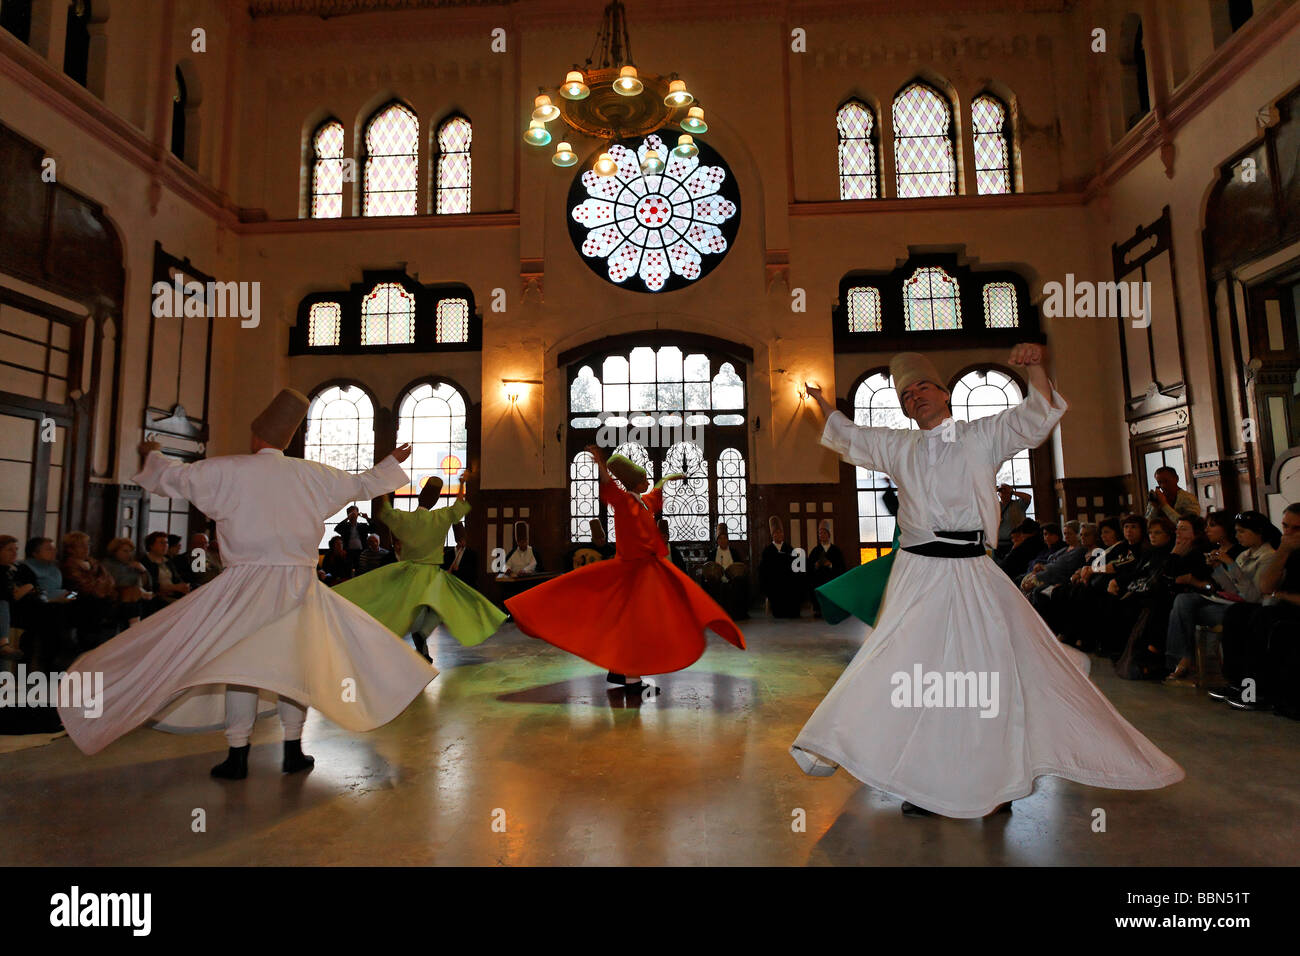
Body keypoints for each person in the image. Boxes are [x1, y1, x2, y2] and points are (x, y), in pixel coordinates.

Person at [792, 345, 1183, 818]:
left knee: (986, 675)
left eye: (923, 387)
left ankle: (995, 784)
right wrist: (818, 400)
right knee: (918, 676)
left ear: (945, 394)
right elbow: (848, 435)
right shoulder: (898, 447)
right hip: (917, 575)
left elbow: (1036, 415)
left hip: (973, 571)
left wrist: (1036, 365)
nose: (916, 397)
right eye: (906, 394)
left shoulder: (982, 435)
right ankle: (927, 781)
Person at [56, 388, 435, 781]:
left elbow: (171, 477)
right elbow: (363, 484)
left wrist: (152, 452)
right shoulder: (313, 475)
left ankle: (238, 754)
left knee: (242, 668)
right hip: (298, 586)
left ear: (256, 437)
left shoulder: (227, 470)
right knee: (294, 668)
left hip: (243, 587)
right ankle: (293, 749)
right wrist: (392, 460)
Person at [505, 446, 745, 693]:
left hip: (640, 572)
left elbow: (656, 491)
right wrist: (601, 464)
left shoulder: (641, 503)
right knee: (633, 627)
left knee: (628, 625)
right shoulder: (624, 502)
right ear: (634, 483)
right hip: (631, 573)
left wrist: (669, 479)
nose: (647, 482)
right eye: (643, 479)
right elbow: (611, 486)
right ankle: (631, 681)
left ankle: (620, 672)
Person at [335, 471, 506, 662]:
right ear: (435, 500)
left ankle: (417, 638)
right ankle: (423, 633)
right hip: (432, 573)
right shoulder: (439, 517)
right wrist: (462, 483)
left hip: (408, 571)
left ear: (419, 497)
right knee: (438, 606)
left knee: (407, 608)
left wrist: (383, 489)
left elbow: (387, 511)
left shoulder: (406, 518)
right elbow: (458, 507)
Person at [1162, 510, 1278, 683]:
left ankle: (1184, 660)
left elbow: (1251, 596)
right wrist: (1217, 568)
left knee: (1183, 610)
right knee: (1182, 601)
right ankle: (1181, 658)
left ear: (1258, 532)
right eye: (1237, 531)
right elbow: (1230, 589)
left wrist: (1230, 564)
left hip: (1248, 608)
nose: (1238, 536)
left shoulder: (1267, 557)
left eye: (1242, 531)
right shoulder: (1245, 555)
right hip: (1228, 601)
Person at [1212, 504, 1300, 710]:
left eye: (1295, 529)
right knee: (1237, 614)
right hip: (1280, 605)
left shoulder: (1266, 553)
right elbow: (1266, 586)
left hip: (1290, 608)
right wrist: (1284, 550)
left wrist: (1283, 594)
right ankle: (1238, 683)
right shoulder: (1285, 551)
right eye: (1285, 526)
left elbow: (1262, 592)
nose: (1288, 533)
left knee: (1262, 621)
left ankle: (1257, 691)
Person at [700, 522, 750, 621]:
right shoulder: (712, 553)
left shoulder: (734, 553)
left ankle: (736, 614)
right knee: (712, 583)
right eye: (720, 538)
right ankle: (716, 614)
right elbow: (707, 569)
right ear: (717, 541)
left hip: (732, 580)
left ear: (728, 540)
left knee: (739, 583)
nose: (723, 540)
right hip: (717, 581)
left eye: (725, 538)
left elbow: (741, 567)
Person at [759, 516, 804, 618]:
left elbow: (796, 565)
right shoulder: (768, 550)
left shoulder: (789, 548)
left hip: (789, 580)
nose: (778, 535)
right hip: (774, 582)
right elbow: (764, 570)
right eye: (776, 533)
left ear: (783, 534)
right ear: (772, 535)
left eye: (780, 533)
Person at [101, 537, 151, 627]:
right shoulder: (107, 564)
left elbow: (148, 584)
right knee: (131, 592)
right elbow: (118, 582)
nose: (128, 554)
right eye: (125, 551)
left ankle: (135, 625)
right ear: (115, 551)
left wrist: (143, 570)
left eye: (130, 551)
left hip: (134, 598)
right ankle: (135, 626)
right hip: (114, 597)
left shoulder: (132, 564)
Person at [141, 531, 190, 615]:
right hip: (156, 597)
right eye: (161, 543)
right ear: (151, 546)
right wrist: (174, 587)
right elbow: (151, 585)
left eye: (166, 543)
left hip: (174, 593)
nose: (165, 546)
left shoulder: (168, 561)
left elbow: (177, 579)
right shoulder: (146, 562)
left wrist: (183, 586)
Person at [0, 535, 30, 660]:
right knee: (2, 603)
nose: (14, 553)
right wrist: (28, 587)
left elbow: (38, 590)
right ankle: (3, 643)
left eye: (16, 549)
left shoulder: (20, 568)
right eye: (9, 549)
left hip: (43, 600)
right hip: (14, 609)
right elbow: (9, 596)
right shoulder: (4, 571)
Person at [808, 520, 846, 615]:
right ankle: (818, 609)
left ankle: (833, 609)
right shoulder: (815, 551)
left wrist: (830, 565)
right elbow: (809, 567)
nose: (822, 535)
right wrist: (815, 566)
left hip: (832, 578)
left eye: (824, 533)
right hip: (818, 580)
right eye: (820, 533)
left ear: (829, 534)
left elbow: (842, 567)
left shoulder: (836, 551)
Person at [994, 484, 1032, 558]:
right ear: (998, 494)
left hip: (1016, 542)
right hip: (998, 543)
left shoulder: (1018, 504)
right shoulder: (995, 506)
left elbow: (1028, 497)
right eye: (1001, 491)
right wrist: (993, 491)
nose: (1004, 493)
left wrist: (1011, 491)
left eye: (1006, 491)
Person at [334, 505, 374, 572]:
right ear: (348, 515)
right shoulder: (345, 527)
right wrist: (347, 518)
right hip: (348, 552)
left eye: (354, 513)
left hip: (362, 551)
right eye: (351, 513)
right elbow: (337, 529)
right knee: (348, 570)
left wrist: (367, 518)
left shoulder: (362, 526)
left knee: (361, 570)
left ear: (358, 514)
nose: (353, 515)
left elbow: (373, 529)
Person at [444, 522, 480, 588]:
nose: (462, 541)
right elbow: (444, 573)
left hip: (467, 587)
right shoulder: (447, 555)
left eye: (463, 538)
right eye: (459, 538)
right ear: (456, 539)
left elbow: (474, 575)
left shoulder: (472, 555)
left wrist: (458, 570)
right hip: (451, 587)